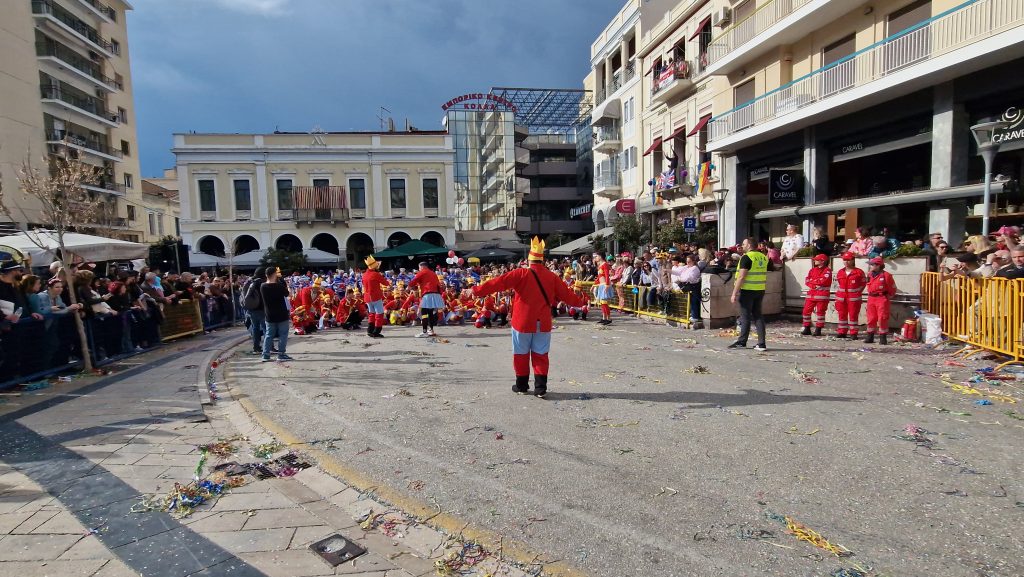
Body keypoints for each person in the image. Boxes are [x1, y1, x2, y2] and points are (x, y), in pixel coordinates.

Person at [472, 237, 585, 397]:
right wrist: (581, 302)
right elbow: (567, 295)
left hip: (522, 321)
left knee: (521, 354)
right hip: (543, 322)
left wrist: (476, 290)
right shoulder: (551, 276)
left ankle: (522, 386)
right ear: (542, 260)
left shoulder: (520, 273)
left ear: (528, 259)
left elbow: (498, 283)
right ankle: (540, 389)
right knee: (541, 354)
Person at [729, 238, 768, 351]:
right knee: (758, 316)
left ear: (749, 245)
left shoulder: (747, 257)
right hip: (760, 289)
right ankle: (761, 343)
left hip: (747, 290)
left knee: (745, 316)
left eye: (744, 244)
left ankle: (742, 342)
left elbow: (741, 276)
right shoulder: (763, 257)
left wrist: (734, 293)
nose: (742, 246)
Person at [260, 266, 293, 362]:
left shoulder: (262, 286)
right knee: (283, 334)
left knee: (269, 334)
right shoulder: (279, 286)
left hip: (269, 315)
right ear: (274, 274)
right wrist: (288, 285)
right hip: (281, 314)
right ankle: (281, 354)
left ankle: (266, 355)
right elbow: (289, 295)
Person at [834, 252, 866, 339]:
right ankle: (842, 332)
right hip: (841, 298)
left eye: (848, 260)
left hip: (854, 299)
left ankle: (853, 333)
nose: (846, 262)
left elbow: (863, 284)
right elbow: (838, 285)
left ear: (853, 260)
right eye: (844, 260)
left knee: (853, 316)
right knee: (842, 316)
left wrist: (856, 293)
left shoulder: (859, 272)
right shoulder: (840, 272)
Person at [408, 261, 445, 338]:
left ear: (421, 267)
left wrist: (410, 286)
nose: (419, 269)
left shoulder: (422, 272)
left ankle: (424, 331)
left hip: (427, 294)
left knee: (424, 313)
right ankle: (431, 330)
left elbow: (413, 282)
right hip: (436, 294)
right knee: (430, 313)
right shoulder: (433, 273)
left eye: (419, 268)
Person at [864, 257, 896, 344]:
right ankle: (870, 336)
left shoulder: (886, 275)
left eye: (872, 264)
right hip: (871, 298)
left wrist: (887, 297)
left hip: (881, 298)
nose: (870, 266)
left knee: (882, 318)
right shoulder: (869, 274)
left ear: (878, 265)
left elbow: (892, 288)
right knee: (871, 318)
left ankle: (883, 337)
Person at [801, 253, 832, 337]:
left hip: (822, 296)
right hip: (811, 295)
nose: (814, 261)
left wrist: (812, 281)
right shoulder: (812, 270)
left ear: (822, 261)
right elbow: (807, 280)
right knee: (806, 311)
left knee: (820, 313)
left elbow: (823, 281)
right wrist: (814, 284)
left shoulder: (827, 270)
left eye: (817, 260)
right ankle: (807, 327)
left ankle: (818, 329)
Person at [362, 256, 390, 338]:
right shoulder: (375, 274)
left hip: (367, 297)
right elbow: (385, 283)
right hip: (375, 296)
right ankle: (376, 331)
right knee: (379, 314)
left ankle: (370, 330)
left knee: (371, 313)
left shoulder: (364, 274)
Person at [241, 268, 266, 354]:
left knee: (255, 328)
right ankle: (269, 347)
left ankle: (256, 347)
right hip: (261, 308)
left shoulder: (249, 281)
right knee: (266, 328)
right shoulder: (260, 283)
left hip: (251, 308)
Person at [593, 253, 614, 325]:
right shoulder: (600, 266)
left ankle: (609, 318)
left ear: (600, 256)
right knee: (602, 303)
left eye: (597, 256)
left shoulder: (605, 264)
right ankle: (604, 317)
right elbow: (599, 277)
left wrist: (607, 284)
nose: (595, 258)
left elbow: (607, 275)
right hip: (601, 285)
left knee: (605, 303)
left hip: (605, 285)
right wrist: (594, 285)